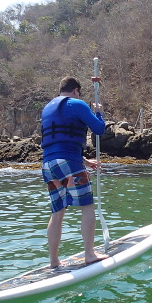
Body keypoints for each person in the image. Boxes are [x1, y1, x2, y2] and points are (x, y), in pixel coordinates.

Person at [40, 76, 108, 269]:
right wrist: (99, 113)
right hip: (69, 162)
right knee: (87, 206)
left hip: (48, 165)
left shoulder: (47, 108)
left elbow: (56, 141)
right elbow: (99, 129)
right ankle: (89, 254)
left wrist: (85, 161)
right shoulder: (76, 104)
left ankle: (54, 261)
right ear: (76, 90)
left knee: (57, 213)